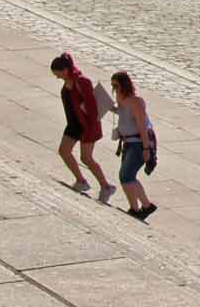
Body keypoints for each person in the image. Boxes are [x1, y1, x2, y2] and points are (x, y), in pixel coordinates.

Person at [50, 53, 113, 200]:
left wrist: (90, 129)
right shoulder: (68, 80)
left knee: (86, 158)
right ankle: (81, 181)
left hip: (86, 126)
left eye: (58, 74)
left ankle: (106, 186)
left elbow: (92, 109)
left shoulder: (82, 81)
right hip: (73, 124)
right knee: (64, 151)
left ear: (65, 70)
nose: (57, 77)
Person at [109, 70, 157, 221]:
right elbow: (122, 113)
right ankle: (146, 205)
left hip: (137, 144)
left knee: (126, 176)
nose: (114, 89)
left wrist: (146, 148)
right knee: (130, 176)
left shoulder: (135, 101)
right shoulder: (122, 99)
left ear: (124, 85)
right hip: (129, 143)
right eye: (113, 86)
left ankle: (135, 209)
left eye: (116, 86)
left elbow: (142, 126)